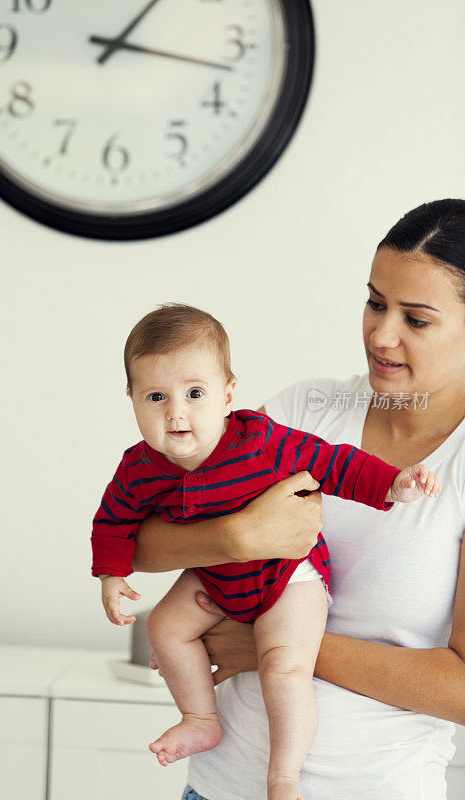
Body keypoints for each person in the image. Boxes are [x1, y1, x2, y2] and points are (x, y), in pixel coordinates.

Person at [139, 199, 465, 800]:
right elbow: (143, 534)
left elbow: (461, 689)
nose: (381, 334)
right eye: (374, 302)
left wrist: (275, 646)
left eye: (415, 320)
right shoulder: (302, 412)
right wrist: (235, 539)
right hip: (219, 786)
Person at [91, 305, 440, 800]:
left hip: (288, 577)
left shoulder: (260, 440)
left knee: (283, 664)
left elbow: (334, 461)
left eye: (195, 394)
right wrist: (110, 574)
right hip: (216, 578)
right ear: (131, 401)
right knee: (164, 629)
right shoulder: (139, 467)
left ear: (227, 394)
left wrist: (392, 485)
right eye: (155, 397)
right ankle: (200, 717)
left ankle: (284, 775)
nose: (176, 413)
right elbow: (113, 520)